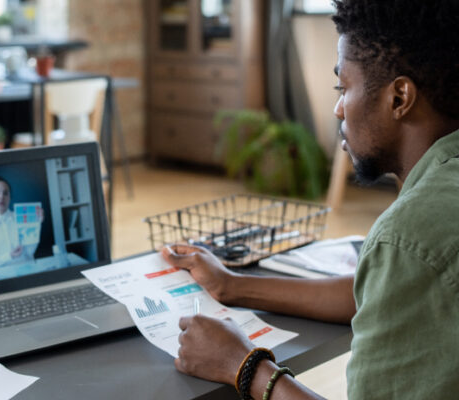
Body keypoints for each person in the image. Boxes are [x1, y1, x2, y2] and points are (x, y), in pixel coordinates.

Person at [161, 1, 459, 399]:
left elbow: (404, 265)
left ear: (400, 97)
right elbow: (375, 292)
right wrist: (232, 286)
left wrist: (243, 365)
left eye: (344, 87)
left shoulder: (408, 237)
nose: (338, 108)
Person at [0, 176, 42, 268]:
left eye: (5, 193)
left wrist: (37, 224)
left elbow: (30, 252)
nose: (1, 196)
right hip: (2, 276)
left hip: (26, 269)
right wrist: (9, 256)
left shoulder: (22, 217)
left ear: (10, 198)